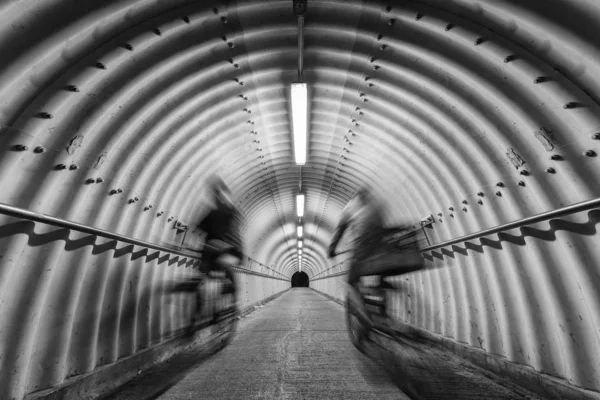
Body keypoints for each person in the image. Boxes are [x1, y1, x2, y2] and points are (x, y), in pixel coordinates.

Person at [327, 187, 387, 288]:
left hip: (362, 246)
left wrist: (331, 249)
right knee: (381, 263)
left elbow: (339, 231)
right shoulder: (377, 205)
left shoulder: (349, 208)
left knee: (351, 279)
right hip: (382, 245)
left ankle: (358, 301)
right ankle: (381, 281)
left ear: (355, 197)